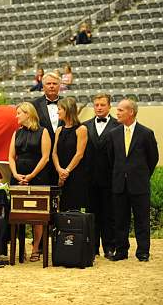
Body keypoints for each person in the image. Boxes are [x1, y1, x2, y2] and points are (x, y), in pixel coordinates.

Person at [107, 99, 158, 262]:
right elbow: (111, 158)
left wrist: (141, 175)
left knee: (142, 220)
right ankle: (121, 251)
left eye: (121, 110)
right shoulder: (113, 134)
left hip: (139, 185)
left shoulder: (146, 133)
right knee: (120, 219)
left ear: (131, 112)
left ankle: (143, 251)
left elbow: (153, 159)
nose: (117, 112)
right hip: (119, 184)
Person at [8, 102, 51, 262]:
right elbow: (11, 157)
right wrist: (16, 174)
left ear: (28, 114)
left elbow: (45, 157)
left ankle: (36, 248)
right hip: (18, 177)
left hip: (38, 177)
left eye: (19, 113)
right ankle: (19, 250)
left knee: (37, 215)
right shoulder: (16, 133)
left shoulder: (43, 132)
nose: (16, 116)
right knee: (17, 214)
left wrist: (31, 175)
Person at [83, 93, 120, 258]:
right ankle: (92, 247)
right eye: (96, 105)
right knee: (91, 214)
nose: (99, 107)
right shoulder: (84, 126)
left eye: (102, 105)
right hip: (89, 180)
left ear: (109, 106)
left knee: (109, 214)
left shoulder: (118, 126)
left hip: (110, 179)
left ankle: (109, 246)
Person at [52, 97, 89, 211]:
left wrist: (66, 171)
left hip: (75, 175)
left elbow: (79, 154)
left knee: (73, 209)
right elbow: (54, 153)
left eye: (59, 109)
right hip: (60, 175)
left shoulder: (81, 129)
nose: (57, 112)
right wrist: (59, 170)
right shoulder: (59, 130)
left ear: (67, 110)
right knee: (60, 208)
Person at [32, 72, 64, 185]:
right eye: (48, 83)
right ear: (43, 86)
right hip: (40, 155)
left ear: (59, 85)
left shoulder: (68, 103)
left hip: (64, 154)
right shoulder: (34, 105)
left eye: (54, 83)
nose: (51, 86)